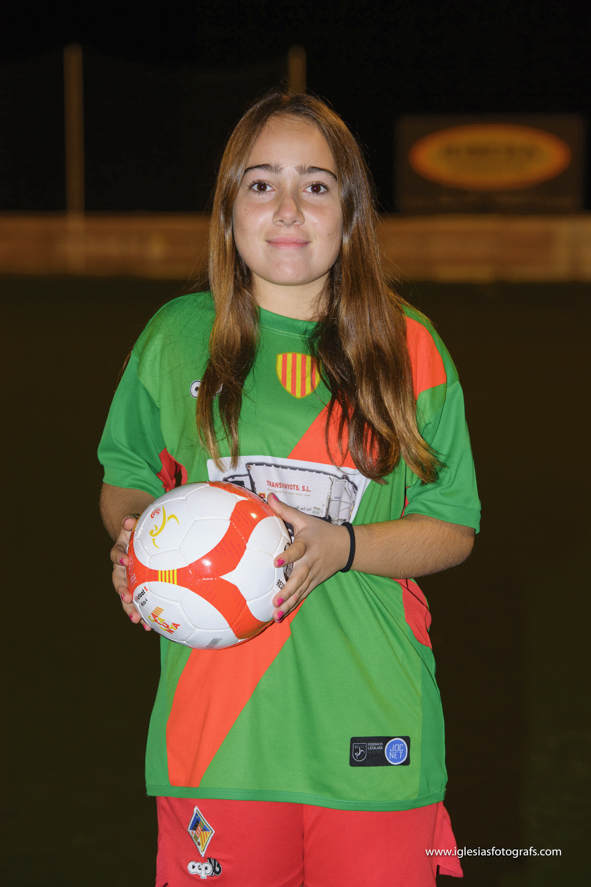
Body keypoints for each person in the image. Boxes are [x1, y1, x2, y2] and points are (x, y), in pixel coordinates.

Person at [98, 90, 480, 886]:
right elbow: (127, 475)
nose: (287, 209)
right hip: (217, 739)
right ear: (228, 207)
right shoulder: (175, 336)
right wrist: (137, 544)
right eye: (261, 182)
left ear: (349, 210)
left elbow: (450, 524)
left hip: (372, 724)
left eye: (315, 184)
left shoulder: (406, 344)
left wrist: (343, 545)